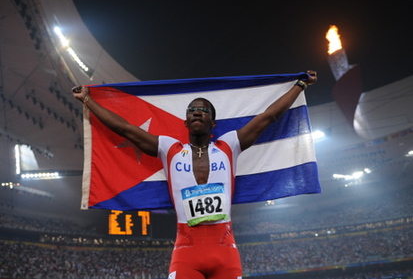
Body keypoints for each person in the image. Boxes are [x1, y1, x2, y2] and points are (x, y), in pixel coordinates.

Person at [72, 70, 317, 279]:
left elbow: (268, 117)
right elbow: (125, 129)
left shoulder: (228, 146)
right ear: (186, 122)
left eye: (203, 110)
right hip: (186, 250)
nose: (197, 112)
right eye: (192, 110)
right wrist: (88, 101)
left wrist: (300, 85)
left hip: (225, 248)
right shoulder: (170, 149)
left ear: (213, 122)